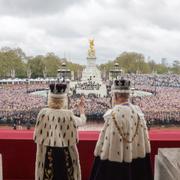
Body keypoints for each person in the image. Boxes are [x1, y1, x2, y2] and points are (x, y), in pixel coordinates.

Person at [90, 78, 153, 180]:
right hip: (137, 163)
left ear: (115, 96)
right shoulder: (138, 113)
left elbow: (108, 146)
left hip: (116, 166)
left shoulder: (113, 115)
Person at [34, 82, 86, 180]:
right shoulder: (68, 115)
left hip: (47, 153)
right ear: (64, 100)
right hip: (65, 153)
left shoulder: (42, 113)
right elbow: (81, 121)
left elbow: (57, 116)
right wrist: (81, 110)